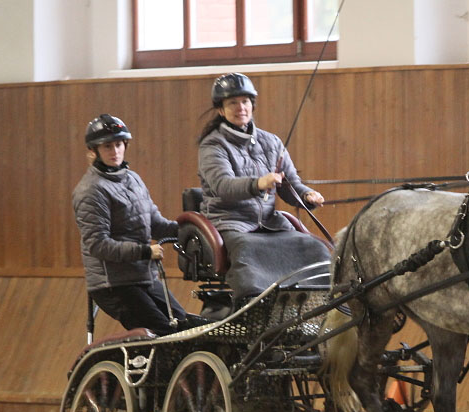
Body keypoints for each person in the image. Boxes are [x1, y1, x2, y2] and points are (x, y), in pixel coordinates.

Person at [197, 73, 330, 305]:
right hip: (231, 223)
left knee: (315, 248)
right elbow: (222, 185)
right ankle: (252, 307)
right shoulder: (213, 145)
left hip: (271, 223)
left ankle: (316, 305)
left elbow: (290, 184)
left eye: (245, 102)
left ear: (252, 105)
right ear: (221, 110)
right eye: (232, 103)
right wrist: (258, 183)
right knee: (248, 251)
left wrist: (307, 195)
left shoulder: (272, 142)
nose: (241, 108)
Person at [73, 114, 186, 336]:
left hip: (142, 276)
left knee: (184, 325)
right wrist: (144, 251)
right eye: (107, 146)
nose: (115, 152)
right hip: (112, 285)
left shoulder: (133, 179)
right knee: (163, 332)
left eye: (118, 145)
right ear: (93, 151)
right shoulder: (90, 191)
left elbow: (155, 224)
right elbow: (98, 245)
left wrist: (189, 231)